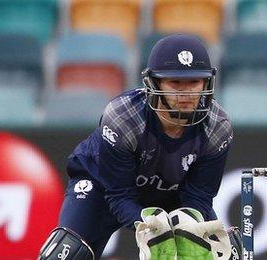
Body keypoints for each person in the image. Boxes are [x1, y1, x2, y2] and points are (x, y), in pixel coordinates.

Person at [38, 34, 241, 259]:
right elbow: (118, 194)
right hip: (101, 187)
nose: (185, 93)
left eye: (193, 82)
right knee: (67, 251)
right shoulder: (123, 117)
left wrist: (185, 222)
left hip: (173, 194)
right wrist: (149, 224)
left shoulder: (217, 125)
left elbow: (199, 195)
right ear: (154, 84)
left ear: (206, 83)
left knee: (220, 250)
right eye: (175, 83)